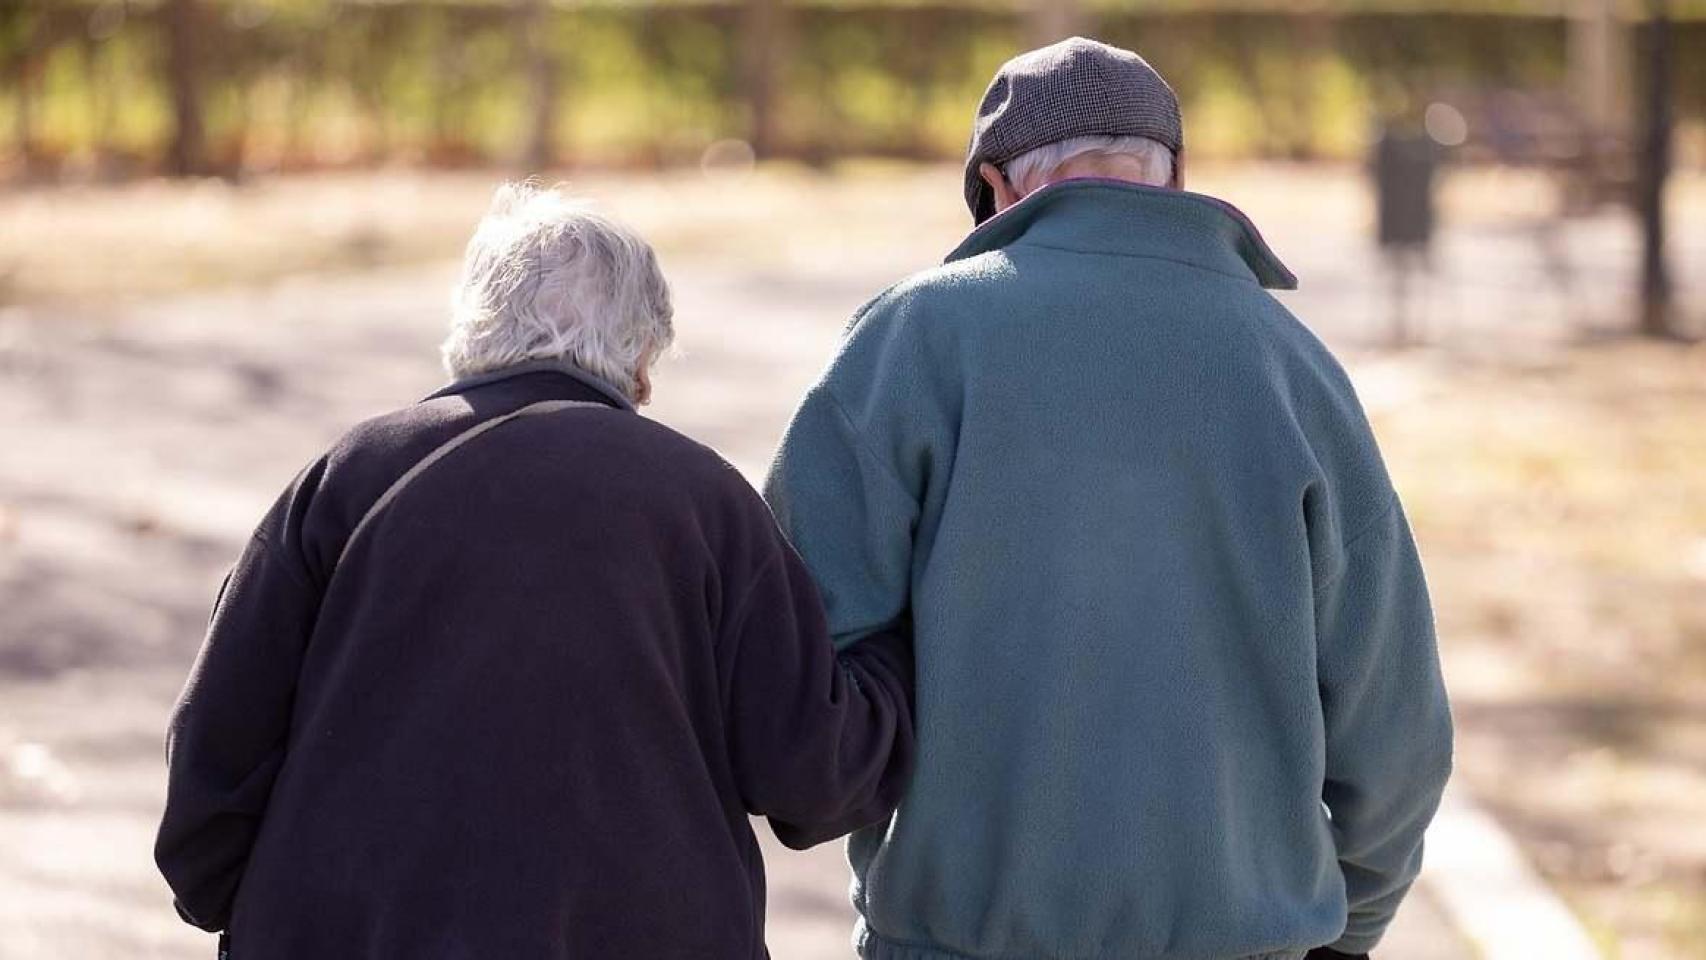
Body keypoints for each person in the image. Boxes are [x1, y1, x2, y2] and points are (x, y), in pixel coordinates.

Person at [765, 37, 1453, 960]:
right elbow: (1396, 727)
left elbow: (799, 668)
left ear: (1000, 188)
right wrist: (1342, 928)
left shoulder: (914, 340)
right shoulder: (1292, 365)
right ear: (1169, 182)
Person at [155, 183, 916, 959]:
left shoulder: (353, 476)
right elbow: (812, 776)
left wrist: (254, 908)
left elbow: (215, 751)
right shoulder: (706, 501)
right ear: (643, 359)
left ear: (471, 328)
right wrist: (898, 656)